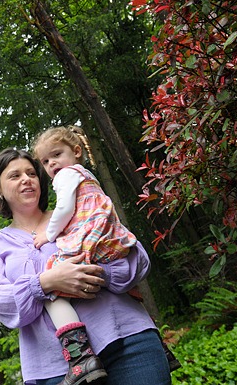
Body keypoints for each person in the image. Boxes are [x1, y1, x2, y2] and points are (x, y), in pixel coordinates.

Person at [0, 147, 171, 385]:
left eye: (31, 173)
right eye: (15, 176)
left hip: (127, 340)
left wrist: (97, 274)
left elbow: (137, 259)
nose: (26, 179)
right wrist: (47, 282)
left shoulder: (78, 210)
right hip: (55, 368)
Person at [30, 125, 142, 382]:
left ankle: (79, 354)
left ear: (76, 151)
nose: (52, 164)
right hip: (108, 236)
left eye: (57, 154)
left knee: (51, 286)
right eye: (46, 161)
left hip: (90, 238)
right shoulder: (86, 174)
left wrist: (49, 234)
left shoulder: (66, 175)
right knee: (112, 279)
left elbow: (66, 208)